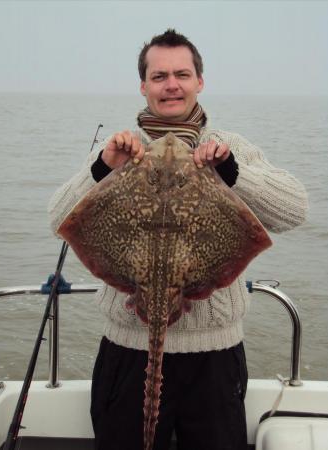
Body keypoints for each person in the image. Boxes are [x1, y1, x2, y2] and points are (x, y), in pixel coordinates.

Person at [48, 29, 308, 450]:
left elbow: (294, 210)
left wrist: (231, 171)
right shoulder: (119, 149)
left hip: (214, 360)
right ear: (144, 85)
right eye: (160, 75)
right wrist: (103, 165)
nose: (172, 84)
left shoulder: (229, 147)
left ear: (199, 81)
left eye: (182, 74)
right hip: (126, 354)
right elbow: (59, 217)